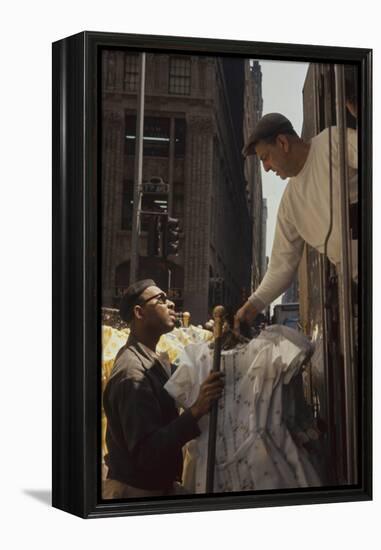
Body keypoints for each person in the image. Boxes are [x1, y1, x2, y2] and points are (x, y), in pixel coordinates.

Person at [234, 112, 357, 333]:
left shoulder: (331, 141)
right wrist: (250, 307)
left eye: (265, 157)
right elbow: (281, 267)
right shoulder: (289, 205)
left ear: (282, 142)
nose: (267, 168)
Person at [103, 279, 224, 498]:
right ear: (139, 313)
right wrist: (196, 410)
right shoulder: (132, 374)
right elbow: (148, 452)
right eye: (161, 300)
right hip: (137, 494)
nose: (171, 305)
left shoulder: (149, 358)